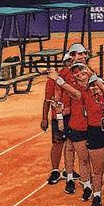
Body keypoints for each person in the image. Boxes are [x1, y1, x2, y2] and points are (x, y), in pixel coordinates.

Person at [49, 63, 93, 201]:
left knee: (84, 157)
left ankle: (86, 183)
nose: (79, 75)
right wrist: (60, 118)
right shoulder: (72, 90)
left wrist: (59, 80)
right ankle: (71, 179)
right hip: (75, 126)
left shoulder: (94, 88)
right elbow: (64, 107)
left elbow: (78, 95)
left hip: (90, 127)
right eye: (76, 74)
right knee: (70, 151)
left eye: (82, 72)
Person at [41, 52, 72, 185]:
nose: (70, 64)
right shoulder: (52, 80)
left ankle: (68, 170)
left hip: (73, 116)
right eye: (69, 61)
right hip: (57, 116)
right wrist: (44, 118)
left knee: (70, 144)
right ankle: (55, 170)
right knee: (58, 143)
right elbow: (47, 100)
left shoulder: (76, 77)